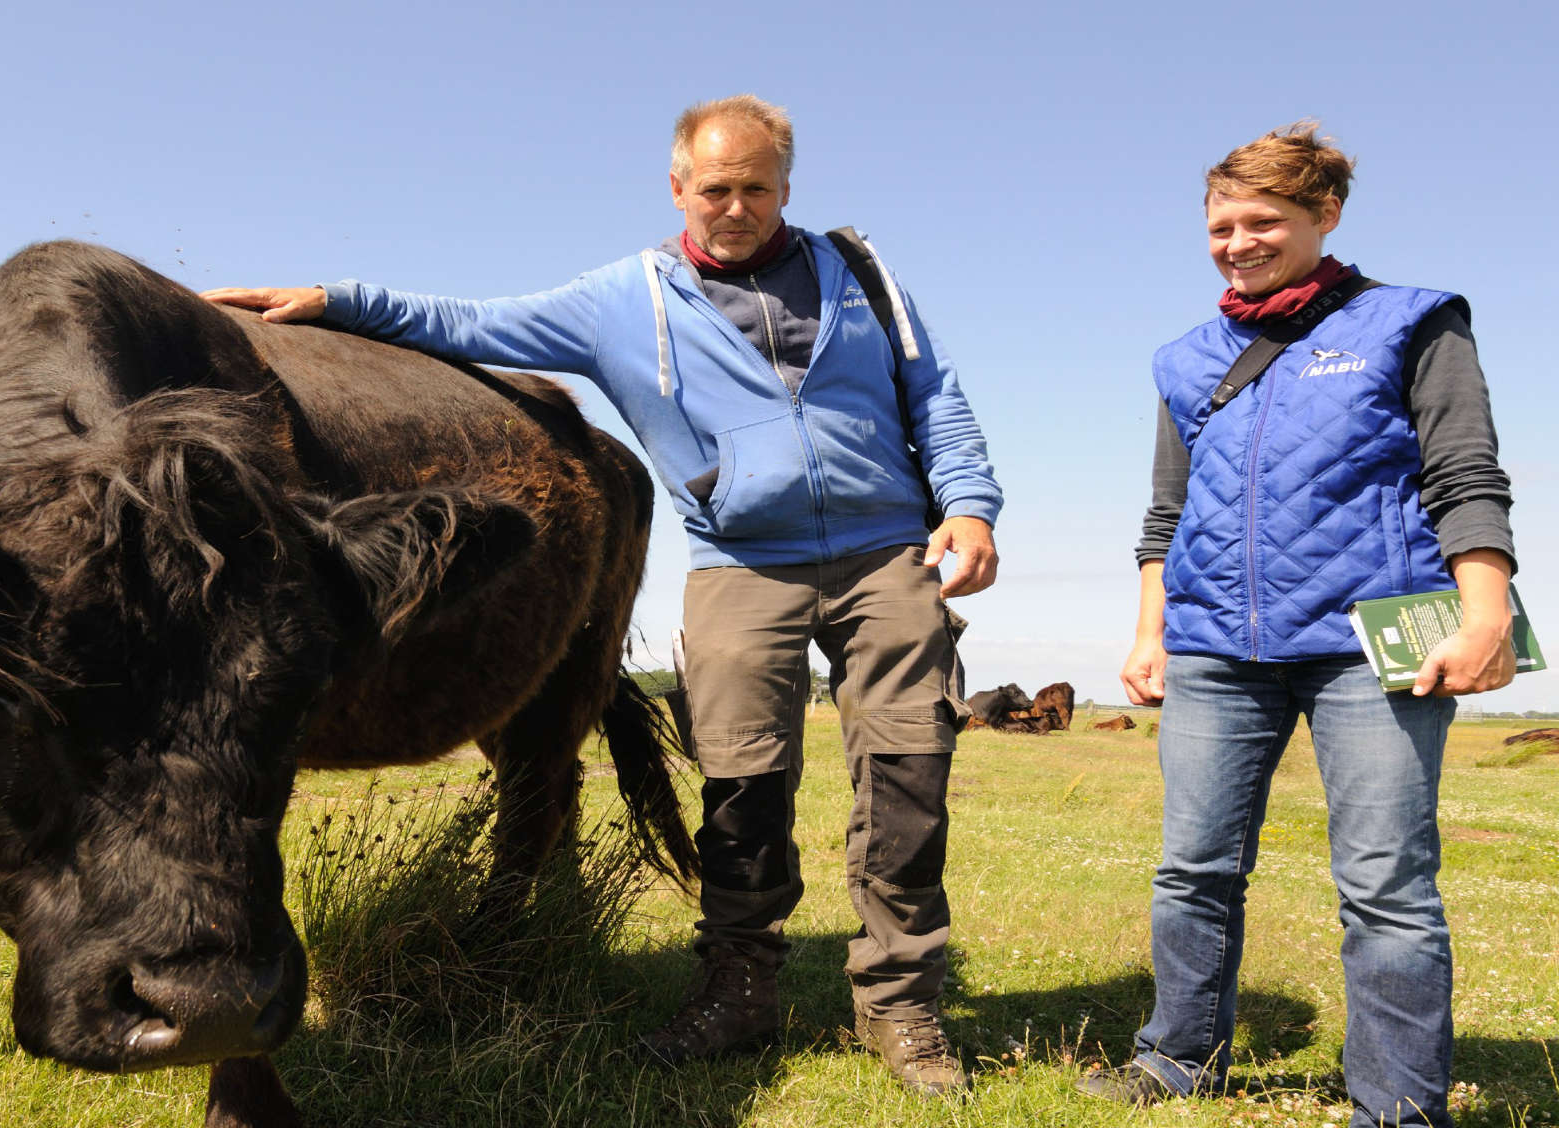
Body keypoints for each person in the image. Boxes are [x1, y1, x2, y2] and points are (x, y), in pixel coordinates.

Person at [203, 94, 1002, 1095]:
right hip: (741, 565)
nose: (736, 207)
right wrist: (332, 297)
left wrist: (967, 506)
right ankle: (737, 988)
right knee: (740, 785)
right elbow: (467, 320)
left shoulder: (858, 272)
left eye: (757, 188)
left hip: (887, 554)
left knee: (905, 774)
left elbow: (934, 394)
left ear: (785, 189)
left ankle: (901, 1008)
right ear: (678, 189)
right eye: (715, 189)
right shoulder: (627, 299)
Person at [1087, 122, 1516, 1126]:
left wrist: (1484, 610)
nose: (1236, 241)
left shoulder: (1413, 322)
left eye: (1261, 222)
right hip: (1210, 648)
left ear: (1323, 216)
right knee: (1192, 866)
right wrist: (1148, 631)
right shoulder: (1186, 359)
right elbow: (1167, 512)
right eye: (1219, 226)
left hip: (1369, 645)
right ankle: (1177, 1058)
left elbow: (1464, 474)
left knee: (1383, 884)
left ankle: (1398, 1105)